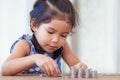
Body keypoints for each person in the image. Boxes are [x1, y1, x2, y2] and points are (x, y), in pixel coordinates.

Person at [1, 0, 87, 76]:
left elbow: (76, 65)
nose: (56, 40)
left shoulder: (62, 46)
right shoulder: (25, 45)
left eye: (63, 35)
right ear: (34, 25)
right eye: (50, 32)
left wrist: (80, 67)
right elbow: (5, 69)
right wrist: (35, 58)